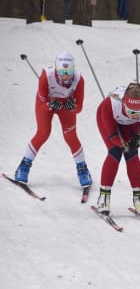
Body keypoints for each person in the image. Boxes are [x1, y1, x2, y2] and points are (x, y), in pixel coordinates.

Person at [15, 52, 92, 188]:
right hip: (47, 102)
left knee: (71, 137)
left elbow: (79, 107)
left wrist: (72, 107)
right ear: (56, 69)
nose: (66, 75)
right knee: (43, 133)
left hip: (65, 104)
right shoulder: (46, 75)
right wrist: (49, 105)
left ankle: (82, 170)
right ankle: (23, 166)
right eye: (62, 71)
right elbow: (41, 103)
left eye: (69, 71)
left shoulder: (79, 79)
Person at [96, 82, 140, 215]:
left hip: (129, 126)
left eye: (138, 112)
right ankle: (104, 198)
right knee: (115, 152)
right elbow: (112, 135)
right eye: (131, 111)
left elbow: (139, 130)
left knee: (132, 154)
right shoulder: (110, 105)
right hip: (109, 120)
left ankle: (139, 199)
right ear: (124, 104)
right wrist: (123, 144)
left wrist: (135, 141)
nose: (134, 115)